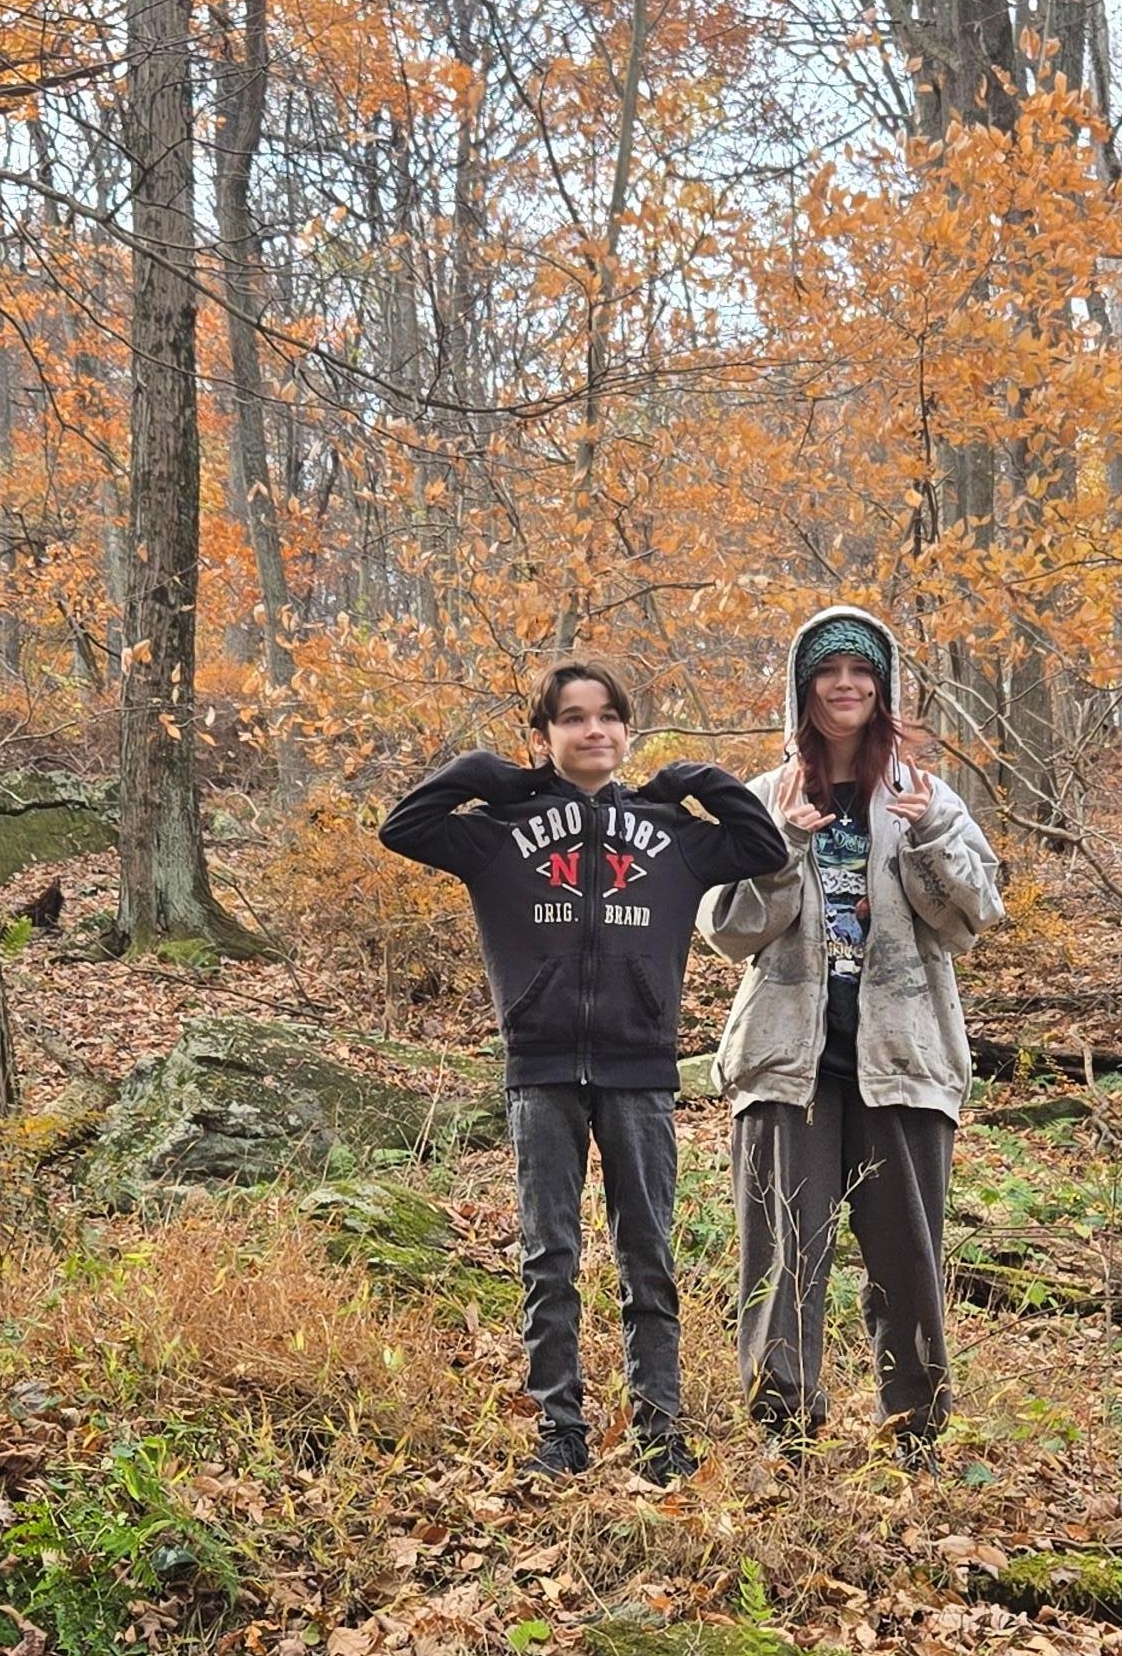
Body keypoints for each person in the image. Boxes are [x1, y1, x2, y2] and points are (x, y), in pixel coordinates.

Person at [381, 663, 790, 1480]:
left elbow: (762, 844)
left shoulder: (668, 829)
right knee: (550, 1254)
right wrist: (493, 773)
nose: (592, 730)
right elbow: (405, 826)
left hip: (640, 1068)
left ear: (627, 731)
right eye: (571, 719)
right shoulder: (501, 830)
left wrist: (696, 778)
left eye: (608, 716)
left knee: (648, 1252)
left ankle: (659, 1428)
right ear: (546, 736)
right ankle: (559, 1428)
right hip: (541, 1070)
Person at [701, 605, 1004, 1459]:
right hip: (786, 1060)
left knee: (907, 1257)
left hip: (904, 1059)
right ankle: (782, 1431)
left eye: (860, 671)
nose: (846, 685)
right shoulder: (767, 796)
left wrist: (931, 834)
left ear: (883, 685)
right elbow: (726, 929)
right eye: (829, 671)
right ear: (804, 687)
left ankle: (916, 1429)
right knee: (782, 1254)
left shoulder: (922, 793)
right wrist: (777, 853)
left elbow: (975, 916)